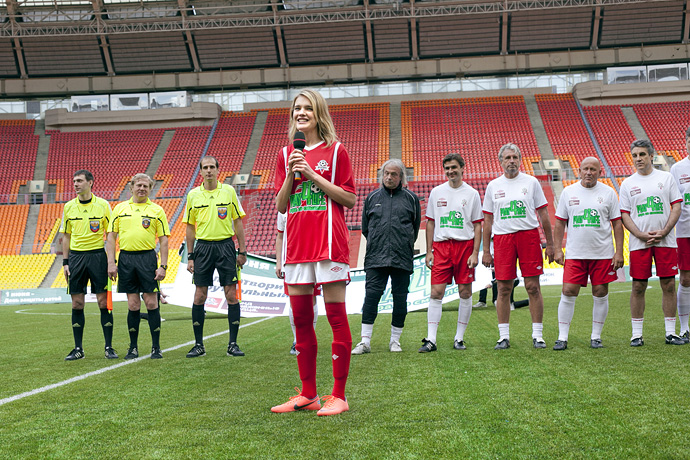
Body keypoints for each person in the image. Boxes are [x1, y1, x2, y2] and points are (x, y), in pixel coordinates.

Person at [271, 89, 356, 416]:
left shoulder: (336, 152)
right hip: (296, 247)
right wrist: (292, 175)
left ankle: (339, 395)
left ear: (319, 113)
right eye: (296, 108)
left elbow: (348, 199)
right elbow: (281, 205)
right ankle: (308, 394)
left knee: (335, 317)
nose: (301, 113)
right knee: (301, 321)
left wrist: (311, 173)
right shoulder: (284, 154)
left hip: (329, 244)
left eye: (307, 108)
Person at [482, 143, 555, 349]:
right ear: (501, 161)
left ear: (520, 160)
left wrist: (549, 244)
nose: (511, 161)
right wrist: (486, 250)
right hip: (503, 239)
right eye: (507, 158)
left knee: (533, 287)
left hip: (528, 237)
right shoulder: (493, 186)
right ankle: (503, 336)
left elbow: (543, 216)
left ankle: (538, 335)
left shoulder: (531, 182)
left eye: (515, 157)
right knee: (503, 288)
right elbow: (487, 221)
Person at [552, 157, 624, 350]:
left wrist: (618, 252)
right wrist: (558, 249)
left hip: (602, 253)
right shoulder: (568, 192)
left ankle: (596, 336)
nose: (589, 172)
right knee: (568, 291)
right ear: (579, 171)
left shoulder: (609, 193)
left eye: (593, 169)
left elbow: (617, 223)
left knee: (600, 292)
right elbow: (559, 222)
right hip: (576, 253)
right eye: (585, 169)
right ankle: (562, 337)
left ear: (600, 172)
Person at [351, 159, 421, 354]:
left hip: (401, 257)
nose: (389, 177)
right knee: (371, 297)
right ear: (382, 175)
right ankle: (365, 341)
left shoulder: (411, 199)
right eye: (386, 173)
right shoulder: (372, 197)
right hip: (376, 257)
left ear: (401, 177)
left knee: (400, 299)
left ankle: (395, 341)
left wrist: (402, 243)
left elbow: (414, 230)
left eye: (394, 174)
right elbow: (366, 229)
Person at [619, 139, 684, 346]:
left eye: (642, 155)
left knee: (668, 285)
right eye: (635, 155)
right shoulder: (628, 183)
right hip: (640, 243)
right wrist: (639, 234)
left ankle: (670, 333)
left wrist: (665, 231)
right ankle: (636, 334)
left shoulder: (666, 178)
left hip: (666, 241)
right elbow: (625, 215)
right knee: (638, 286)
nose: (638, 159)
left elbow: (676, 207)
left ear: (651, 156)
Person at [183, 156, 247, 358]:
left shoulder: (228, 191)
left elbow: (237, 222)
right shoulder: (193, 195)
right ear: (200, 171)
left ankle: (233, 344)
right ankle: (198, 345)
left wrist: (242, 250)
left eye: (212, 167)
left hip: (225, 246)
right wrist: (190, 256)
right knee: (200, 295)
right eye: (205, 167)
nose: (209, 170)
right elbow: (190, 227)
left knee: (231, 294)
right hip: (202, 249)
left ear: (218, 170)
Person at [418, 153, 483, 352]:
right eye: (447, 168)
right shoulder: (437, 192)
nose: (450, 171)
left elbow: (478, 225)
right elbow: (430, 222)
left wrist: (475, 253)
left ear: (463, 168)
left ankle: (459, 338)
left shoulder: (471, 193)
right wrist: (428, 251)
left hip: (464, 247)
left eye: (454, 167)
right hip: (442, 247)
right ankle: (431, 340)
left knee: (465, 292)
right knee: (436, 292)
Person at [107, 174, 170, 359]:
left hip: (147, 259)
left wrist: (163, 266)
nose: (142, 188)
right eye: (139, 185)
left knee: (151, 303)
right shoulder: (120, 208)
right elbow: (111, 237)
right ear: (131, 187)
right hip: (126, 259)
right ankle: (133, 347)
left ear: (150, 189)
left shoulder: (157, 210)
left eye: (146, 186)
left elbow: (164, 240)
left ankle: (156, 347)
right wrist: (111, 262)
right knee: (133, 305)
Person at [60, 170, 115, 360]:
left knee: (103, 302)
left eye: (80, 181)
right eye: (74, 181)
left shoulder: (103, 205)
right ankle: (78, 349)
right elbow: (65, 236)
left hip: (98, 257)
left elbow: (110, 235)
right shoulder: (68, 207)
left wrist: (110, 262)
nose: (76, 184)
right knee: (77, 303)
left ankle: (108, 347)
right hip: (76, 258)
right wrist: (65, 262)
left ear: (91, 182)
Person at [275, 211, 318, 355]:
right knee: (294, 302)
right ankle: (297, 340)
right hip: (291, 261)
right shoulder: (284, 205)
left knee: (312, 298)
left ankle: (310, 337)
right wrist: (278, 262)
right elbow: (280, 235)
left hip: (312, 258)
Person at [670, 127, 690, 342]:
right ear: (685, 142)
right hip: (685, 231)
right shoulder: (677, 168)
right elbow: (674, 203)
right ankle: (684, 328)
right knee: (685, 279)